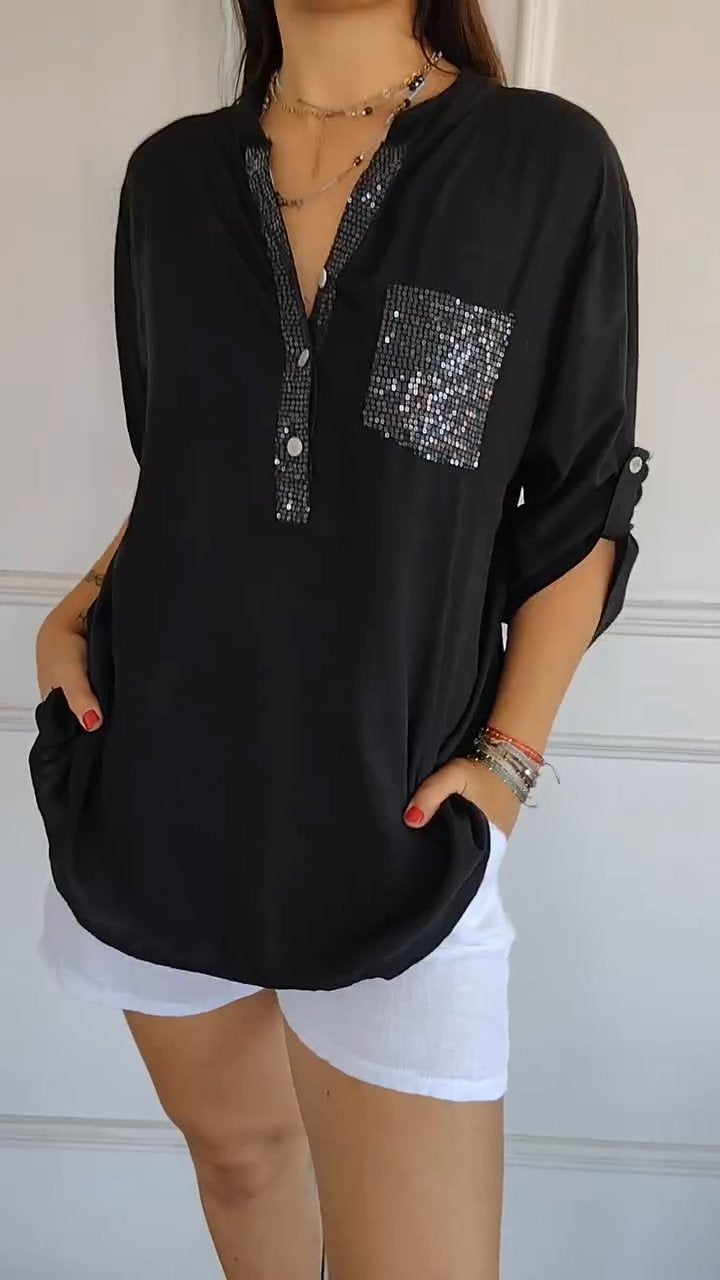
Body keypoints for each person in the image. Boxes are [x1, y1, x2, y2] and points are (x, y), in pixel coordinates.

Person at [31, 1, 650, 1277]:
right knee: (241, 1161)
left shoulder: (540, 165)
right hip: (162, 793)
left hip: (400, 825)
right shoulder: (167, 180)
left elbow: (579, 507)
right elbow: (188, 466)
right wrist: (77, 601)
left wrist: (509, 764)